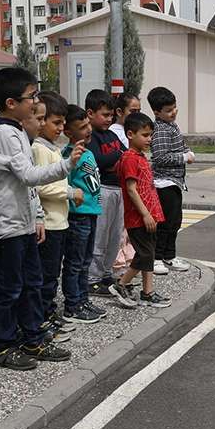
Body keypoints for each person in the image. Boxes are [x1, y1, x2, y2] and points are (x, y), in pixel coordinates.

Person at [0, 67, 88, 370]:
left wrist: (36, 216)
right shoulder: (4, 134)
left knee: (31, 284)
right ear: (11, 103)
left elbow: (27, 187)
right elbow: (28, 176)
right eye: (31, 97)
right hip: (6, 226)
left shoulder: (15, 132)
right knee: (9, 287)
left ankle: (32, 338)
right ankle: (3, 346)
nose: (35, 102)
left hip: (22, 224)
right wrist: (67, 165)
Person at [31, 91, 83, 338]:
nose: (61, 128)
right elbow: (42, 185)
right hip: (49, 224)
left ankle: (49, 313)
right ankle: (42, 318)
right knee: (46, 276)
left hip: (59, 222)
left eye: (63, 123)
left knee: (53, 274)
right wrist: (70, 193)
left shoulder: (52, 147)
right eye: (56, 123)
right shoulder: (39, 149)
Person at [108, 112, 171, 309]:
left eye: (150, 135)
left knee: (148, 253)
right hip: (138, 218)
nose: (149, 139)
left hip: (149, 216)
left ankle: (147, 292)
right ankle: (121, 284)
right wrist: (145, 214)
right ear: (130, 134)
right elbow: (131, 189)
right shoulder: (129, 158)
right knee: (144, 254)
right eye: (144, 135)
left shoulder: (140, 157)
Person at [61, 105, 105, 323]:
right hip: (77, 216)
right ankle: (72, 305)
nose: (88, 130)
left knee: (86, 260)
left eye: (88, 125)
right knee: (75, 261)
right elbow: (65, 184)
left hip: (91, 213)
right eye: (81, 127)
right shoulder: (69, 156)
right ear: (68, 132)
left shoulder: (87, 152)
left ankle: (83, 299)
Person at [147, 86, 194, 274]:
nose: (173, 112)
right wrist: (184, 157)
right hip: (163, 183)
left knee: (175, 221)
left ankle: (169, 255)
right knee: (164, 223)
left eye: (174, 108)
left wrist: (186, 151)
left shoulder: (171, 125)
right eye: (168, 110)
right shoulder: (159, 129)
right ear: (157, 112)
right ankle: (157, 257)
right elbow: (159, 157)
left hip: (174, 181)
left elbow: (178, 145)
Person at [85, 90, 124, 296]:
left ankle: (106, 273)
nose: (109, 119)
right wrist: (116, 156)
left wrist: (116, 158)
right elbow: (98, 161)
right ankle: (92, 278)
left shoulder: (111, 135)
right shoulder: (91, 136)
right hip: (103, 190)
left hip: (118, 189)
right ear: (90, 113)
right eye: (105, 115)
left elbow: (126, 156)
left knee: (114, 236)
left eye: (111, 115)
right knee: (99, 236)